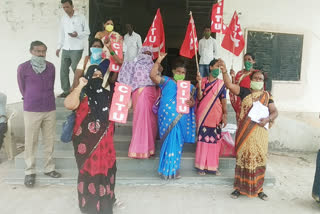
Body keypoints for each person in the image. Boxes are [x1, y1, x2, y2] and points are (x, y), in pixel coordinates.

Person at [221, 59, 278, 200]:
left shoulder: (267, 96)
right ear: (250, 80)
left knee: (258, 159)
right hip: (244, 133)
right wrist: (224, 70)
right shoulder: (244, 92)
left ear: (263, 82)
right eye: (256, 78)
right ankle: (238, 188)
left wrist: (268, 119)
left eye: (260, 79)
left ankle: (259, 190)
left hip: (260, 134)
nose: (258, 80)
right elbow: (228, 84)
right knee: (243, 159)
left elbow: (275, 112)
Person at [64, 65, 117, 214]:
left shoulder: (106, 94)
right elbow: (69, 104)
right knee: (90, 172)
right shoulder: (82, 93)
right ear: (87, 77)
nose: (98, 78)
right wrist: (80, 85)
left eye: (100, 76)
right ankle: (90, 207)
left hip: (106, 143)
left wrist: (125, 100)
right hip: (86, 143)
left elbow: (122, 109)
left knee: (106, 170)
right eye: (94, 75)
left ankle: (106, 204)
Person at [17, 41, 61, 188]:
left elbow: (52, 84)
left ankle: (49, 168)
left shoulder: (51, 67)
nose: (41, 54)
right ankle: (29, 171)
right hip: (31, 109)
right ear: (31, 51)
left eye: (43, 51)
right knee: (31, 141)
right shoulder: (23, 68)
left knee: (49, 140)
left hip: (49, 107)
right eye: (37, 51)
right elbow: (22, 88)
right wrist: (30, 98)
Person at [149, 53, 197, 179]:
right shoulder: (166, 81)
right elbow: (153, 75)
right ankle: (165, 169)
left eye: (183, 72)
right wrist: (158, 60)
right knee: (168, 142)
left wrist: (192, 103)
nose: (180, 74)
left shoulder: (189, 87)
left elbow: (193, 101)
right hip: (166, 118)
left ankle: (174, 169)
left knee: (177, 143)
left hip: (180, 118)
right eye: (178, 71)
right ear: (173, 71)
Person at [118, 46, 159, 159]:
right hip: (140, 93)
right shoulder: (133, 64)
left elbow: (158, 79)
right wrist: (127, 97)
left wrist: (158, 63)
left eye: (148, 53)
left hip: (152, 94)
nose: (146, 55)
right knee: (141, 121)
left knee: (151, 122)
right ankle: (138, 150)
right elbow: (125, 78)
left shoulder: (154, 66)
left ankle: (149, 149)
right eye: (144, 52)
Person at [194, 59, 227, 175]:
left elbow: (223, 99)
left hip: (216, 115)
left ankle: (213, 167)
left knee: (214, 141)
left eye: (220, 67)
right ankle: (201, 166)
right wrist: (198, 85)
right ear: (210, 67)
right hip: (203, 114)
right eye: (217, 66)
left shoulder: (221, 84)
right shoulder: (202, 81)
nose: (218, 69)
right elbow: (198, 97)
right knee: (203, 141)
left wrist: (225, 114)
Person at [56, 0, 90, 98]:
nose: (65, 9)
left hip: (77, 48)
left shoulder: (81, 17)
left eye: (67, 7)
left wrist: (77, 34)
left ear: (72, 6)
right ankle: (66, 91)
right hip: (66, 48)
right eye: (64, 7)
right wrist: (59, 47)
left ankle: (79, 90)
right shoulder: (63, 19)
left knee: (77, 70)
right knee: (63, 70)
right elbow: (61, 34)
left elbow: (87, 32)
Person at [229, 53, 257, 122]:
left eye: (249, 60)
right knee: (240, 122)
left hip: (251, 103)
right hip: (239, 103)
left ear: (254, 61)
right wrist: (233, 76)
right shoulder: (239, 73)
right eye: (245, 60)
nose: (247, 61)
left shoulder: (256, 74)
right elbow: (234, 86)